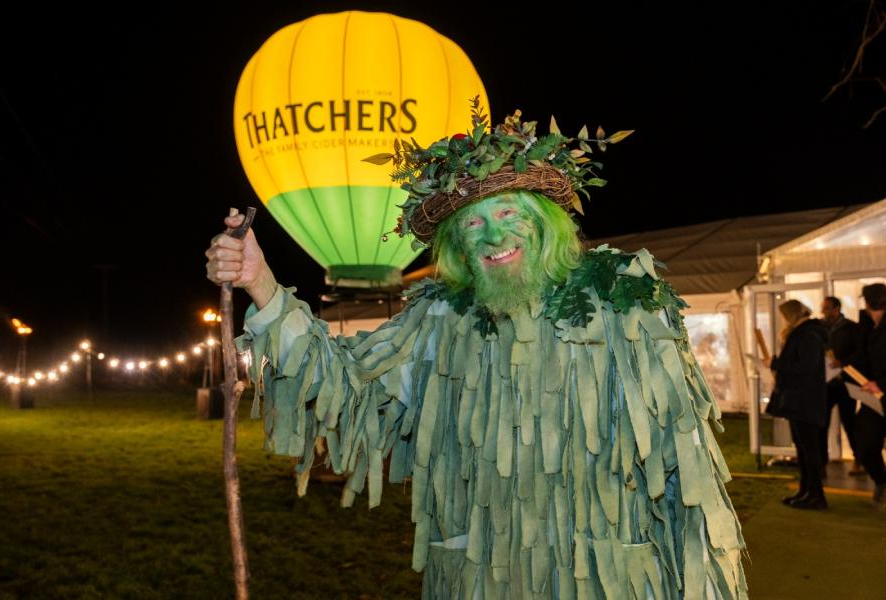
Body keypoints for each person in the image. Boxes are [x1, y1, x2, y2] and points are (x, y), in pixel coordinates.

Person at [206, 104, 747, 598]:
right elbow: (346, 388)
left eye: (508, 214)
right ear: (457, 247)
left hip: (611, 584)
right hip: (479, 581)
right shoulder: (437, 321)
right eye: (472, 223)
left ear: (544, 222)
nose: (491, 235)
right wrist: (262, 284)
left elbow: (688, 476)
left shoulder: (626, 305)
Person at [764, 300, 829, 509]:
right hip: (800, 401)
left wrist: (776, 363)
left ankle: (816, 494)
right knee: (802, 449)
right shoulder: (805, 333)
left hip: (805, 401)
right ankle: (806, 490)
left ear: (791, 315)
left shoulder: (808, 334)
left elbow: (805, 367)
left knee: (809, 450)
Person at [850, 283, 886, 508]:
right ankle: (881, 480)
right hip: (872, 399)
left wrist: (881, 383)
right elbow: (861, 357)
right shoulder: (866, 326)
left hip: (881, 391)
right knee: (864, 444)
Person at [819, 296, 862, 473]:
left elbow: (860, 353)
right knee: (822, 423)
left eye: (827, 308)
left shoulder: (851, 328)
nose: (824, 312)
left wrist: (842, 362)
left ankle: (859, 460)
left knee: (849, 422)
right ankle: (821, 462)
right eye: (823, 308)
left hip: (845, 383)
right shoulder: (819, 328)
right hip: (826, 384)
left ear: (837, 309)